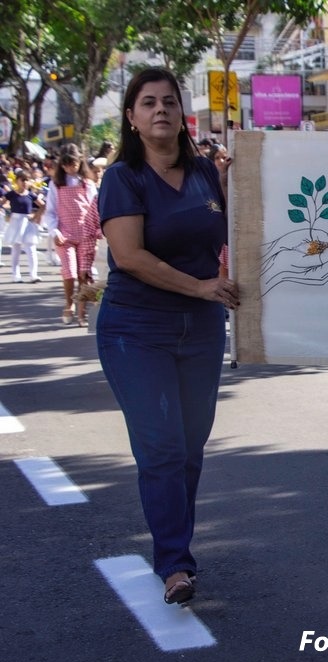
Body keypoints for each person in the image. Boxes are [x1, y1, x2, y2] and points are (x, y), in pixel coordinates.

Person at [96, 66, 239, 605]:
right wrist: (200, 287)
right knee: (161, 447)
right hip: (136, 331)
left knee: (190, 449)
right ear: (132, 119)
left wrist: (240, 185)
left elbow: (238, 231)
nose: (161, 109)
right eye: (148, 102)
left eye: (170, 102)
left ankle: (177, 550)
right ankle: (175, 564)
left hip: (201, 329)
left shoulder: (205, 173)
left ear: (183, 114)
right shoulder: (122, 179)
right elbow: (129, 256)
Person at [44, 144, 98, 324]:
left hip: (86, 233)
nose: (70, 168)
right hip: (64, 233)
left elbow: (94, 208)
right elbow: (50, 211)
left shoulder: (87, 183)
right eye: (66, 165)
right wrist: (54, 230)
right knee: (69, 272)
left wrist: (97, 229)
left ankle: (83, 312)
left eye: (73, 164)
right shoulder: (56, 184)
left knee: (84, 273)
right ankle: (69, 303)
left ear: (80, 162)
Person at [3, 169, 44, 283]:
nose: (25, 182)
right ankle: (16, 275)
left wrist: (36, 216)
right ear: (17, 181)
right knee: (16, 250)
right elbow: (2, 203)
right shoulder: (11, 194)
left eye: (27, 180)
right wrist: (7, 213)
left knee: (31, 249)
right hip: (15, 222)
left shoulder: (31, 195)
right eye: (22, 180)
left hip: (27, 222)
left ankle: (33, 274)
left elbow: (43, 206)